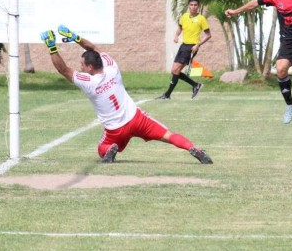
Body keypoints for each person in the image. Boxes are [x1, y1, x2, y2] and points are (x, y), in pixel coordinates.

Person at [40, 25, 213, 164]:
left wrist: (51, 46)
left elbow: (63, 70)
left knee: (102, 148)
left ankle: (110, 150)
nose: (81, 67)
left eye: (82, 65)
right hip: (137, 119)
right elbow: (93, 48)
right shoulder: (111, 66)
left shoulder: (89, 82)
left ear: (90, 68)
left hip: (115, 130)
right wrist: (75, 38)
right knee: (168, 135)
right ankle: (193, 148)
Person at [157, 0, 212, 100]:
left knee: (176, 69)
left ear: (198, 6)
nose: (193, 7)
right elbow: (180, 28)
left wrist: (198, 45)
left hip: (192, 47)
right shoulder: (184, 16)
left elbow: (208, 35)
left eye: (195, 5)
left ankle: (167, 95)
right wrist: (176, 36)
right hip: (183, 46)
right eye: (191, 5)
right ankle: (196, 85)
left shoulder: (201, 19)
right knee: (174, 71)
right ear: (188, 6)